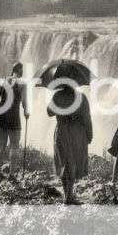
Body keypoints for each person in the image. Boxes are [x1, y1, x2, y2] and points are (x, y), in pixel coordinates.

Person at [47, 66, 92, 204]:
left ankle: (67, 194)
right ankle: (69, 196)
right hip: (77, 133)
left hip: (61, 131)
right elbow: (86, 119)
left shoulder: (57, 96)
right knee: (72, 162)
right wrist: (90, 135)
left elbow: (49, 112)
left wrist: (60, 107)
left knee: (64, 162)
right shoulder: (82, 98)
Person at [0, 62, 30, 180]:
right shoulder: (22, 83)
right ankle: (12, 174)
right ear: (19, 70)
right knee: (14, 145)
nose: (23, 72)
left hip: (0, 114)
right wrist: (26, 112)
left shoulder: (3, 81)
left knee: (1, 144)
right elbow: (24, 102)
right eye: (22, 70)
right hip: (13, 116)